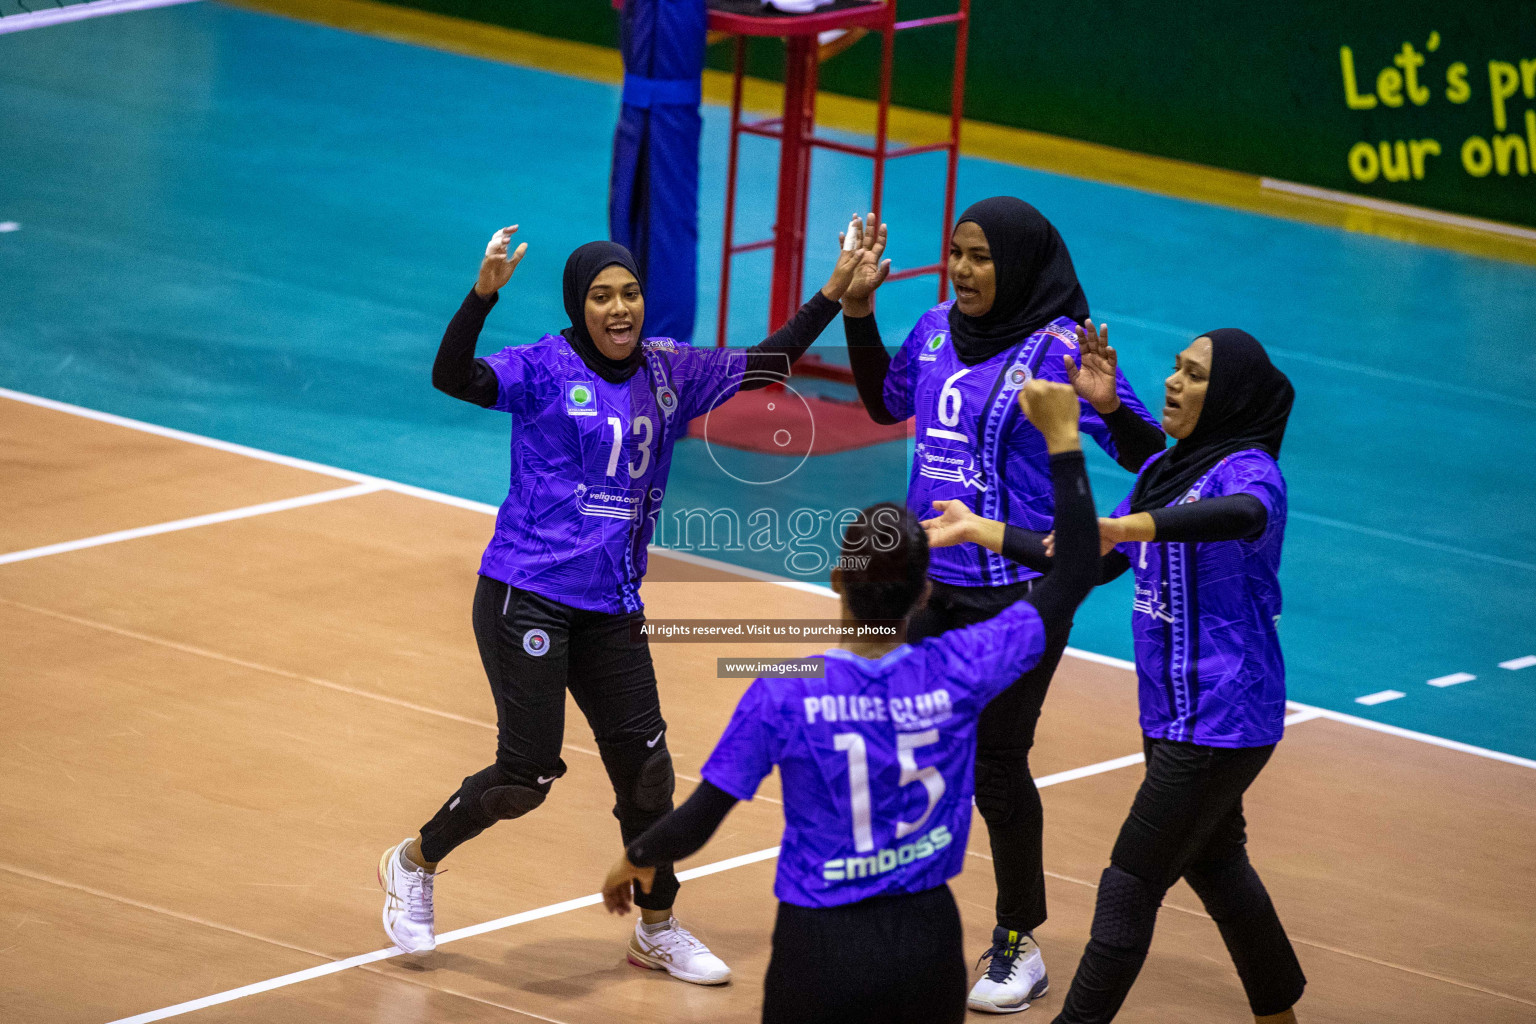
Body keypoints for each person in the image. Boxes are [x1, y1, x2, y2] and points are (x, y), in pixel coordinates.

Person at [377, 219, 867, 983]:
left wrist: (835, 289)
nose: (619, 309)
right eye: (602, 297)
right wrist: (480, 298)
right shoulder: (542, 365)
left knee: (647, 776)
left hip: (610, 604)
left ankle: (657, 928)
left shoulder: (670, 371)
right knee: (525, 775)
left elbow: (769, 364)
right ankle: (414, 861)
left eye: (630, 293)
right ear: (580, 306)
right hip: (527, 594)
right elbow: (455, 378)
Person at [600, 379, 1103, 1024]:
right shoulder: (964, 669)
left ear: (838, 580)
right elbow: (1074, 570)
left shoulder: (784, 695)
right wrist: (1063, 439)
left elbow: (700, 816)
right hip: (926, 941)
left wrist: (635, 857)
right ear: (925, 591)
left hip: (820, 947)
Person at [923, 328, 1306, 1023]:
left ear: (1228, 397)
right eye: (1175, 368)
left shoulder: (1251, 472)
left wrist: (1128, 528)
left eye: (1194, 375)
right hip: (1171, 710)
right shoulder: (1164, 473)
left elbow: (1241, 516)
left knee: (1130, 882)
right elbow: (1083, 561)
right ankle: (1281, 1014)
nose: (1173, 382)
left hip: (1224, 713)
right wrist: (979, 529)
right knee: (1218, 867)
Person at [839, 194, 1164, 1012]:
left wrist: (1109, 401)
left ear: (1017, 264)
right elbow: (886, 403)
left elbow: (1148, 452)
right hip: (927, 583)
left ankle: (1018, 942)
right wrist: (860, 313)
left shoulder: (1061, 348)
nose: (963, 269)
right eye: (956, 252)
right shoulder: (936, 327)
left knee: (995, 764)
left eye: (980, 256)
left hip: (1021, 593)